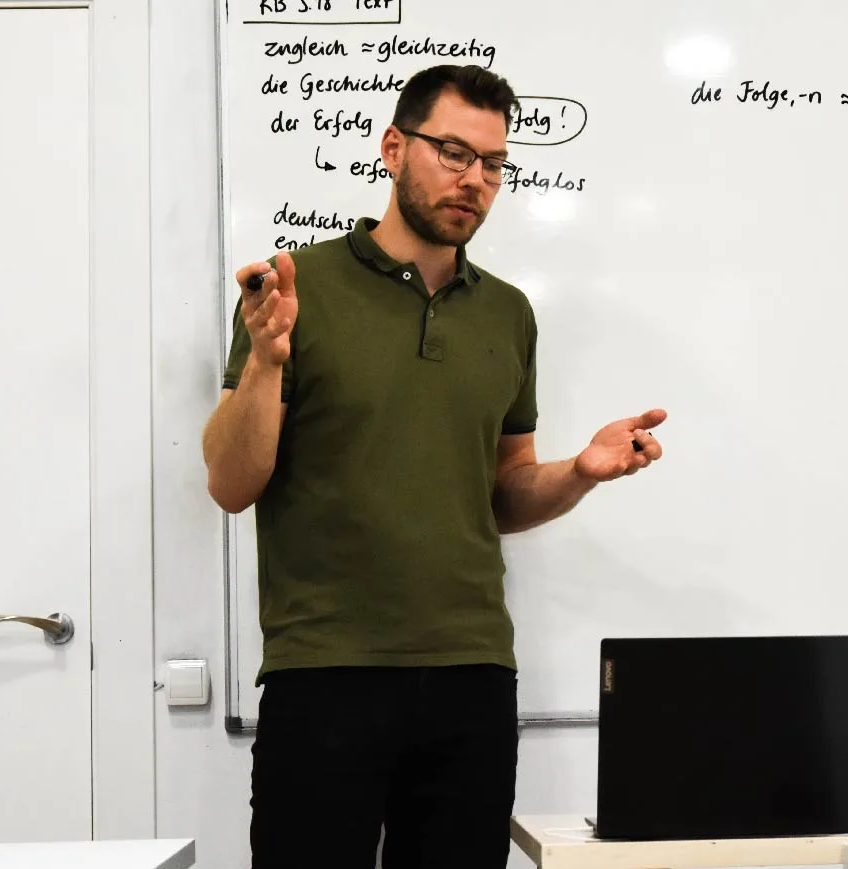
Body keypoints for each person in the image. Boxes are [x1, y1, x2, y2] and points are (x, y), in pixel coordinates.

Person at [202, 64, 667, 869]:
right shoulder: (294, 289)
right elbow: (231, 484)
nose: (474, 180)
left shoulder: (508, 312)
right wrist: (270, 360)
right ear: (393, 147)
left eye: (493, 163)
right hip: (327, 670)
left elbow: (503, 494)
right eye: (453, 152)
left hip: (472, 675)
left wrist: (582, 471)